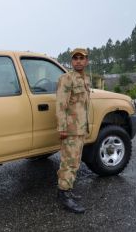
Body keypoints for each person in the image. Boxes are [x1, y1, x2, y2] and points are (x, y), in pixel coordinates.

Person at [56, 48, 91, 214]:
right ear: (72, 61)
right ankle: (64, 195)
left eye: (81, 58)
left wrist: (87, 127)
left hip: (80, 128)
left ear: (86, 61)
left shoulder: (85, 79)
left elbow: (84, 106)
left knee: (75, 162)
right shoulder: (66, 78)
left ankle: (66, 190)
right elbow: (61, 105)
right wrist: (62, 128)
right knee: (68, 162)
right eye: (75, 58)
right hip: (70, 129)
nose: (78, 61)